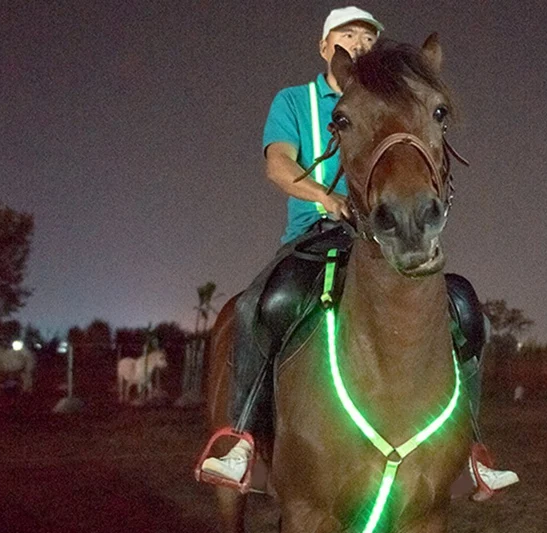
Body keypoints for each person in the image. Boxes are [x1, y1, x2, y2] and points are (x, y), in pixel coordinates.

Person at [198, 6, 519, 500]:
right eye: (347, 36)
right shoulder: (295, 101)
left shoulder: (391, 94)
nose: (359, 44)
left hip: (378, 232)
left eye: (369, 37)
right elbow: (278, 165)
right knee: (260, 304)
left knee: (467, 311)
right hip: (315, 232)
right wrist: (327, 198)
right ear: (326, 47)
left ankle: (470, 450)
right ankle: (240, 437)